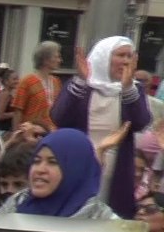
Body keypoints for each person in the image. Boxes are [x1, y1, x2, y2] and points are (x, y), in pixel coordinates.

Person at [51, 36, 152, 220]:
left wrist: (128, 88)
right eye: (121, 55)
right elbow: (59, 118)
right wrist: (81, 80)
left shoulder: (132, 89)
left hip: (116, 165)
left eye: (130, 56)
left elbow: (141, 122)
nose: (126, 61)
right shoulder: (82, 86)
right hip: (80, 160)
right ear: (104, 57)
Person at [11, 41, 63, 132]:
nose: (60, 60)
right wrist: (15, 134)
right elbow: (18, 111)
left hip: (52, 132)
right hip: (30, 133)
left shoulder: (56, 82)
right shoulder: (26, 81)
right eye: (56, 57)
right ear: (46, 59)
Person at [0, 67, 18, 133]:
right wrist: (15, 114)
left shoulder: (9, 94)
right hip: (2, 130)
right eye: (14, 79)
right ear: (6, 81)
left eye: (17, 79)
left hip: (5, 130)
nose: (17, 81)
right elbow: (0, 115)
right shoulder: (5, 94)